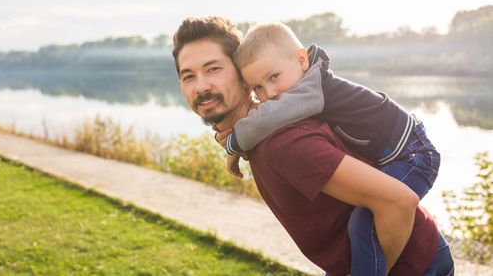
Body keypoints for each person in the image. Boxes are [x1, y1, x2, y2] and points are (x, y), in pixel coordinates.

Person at [172, 16, 454, 275]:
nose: (201, 86)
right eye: (188, 76)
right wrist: (234, 145)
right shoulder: (262, 134)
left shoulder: (283, 142)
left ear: (240, 76)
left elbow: (398, 202)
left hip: (415, 265)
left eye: (214, 69)